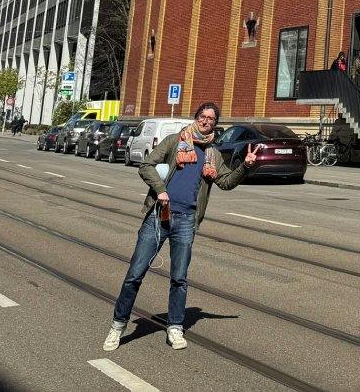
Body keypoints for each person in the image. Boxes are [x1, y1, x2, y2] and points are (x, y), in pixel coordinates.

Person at [103, 101, 257, 352]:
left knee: (179, 278)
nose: (206, 121)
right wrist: (161, 190)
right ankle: (118, 325)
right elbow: (146, 166)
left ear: (215, 124)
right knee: (135, 274)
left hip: (186, 220)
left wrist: (246, 166)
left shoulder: (212, 154)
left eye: (211, 119)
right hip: (158, 216)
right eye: (203, 116)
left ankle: (175, 327)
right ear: (196, 117)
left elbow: (226, 182)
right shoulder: (176, 141)